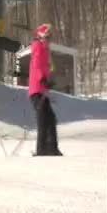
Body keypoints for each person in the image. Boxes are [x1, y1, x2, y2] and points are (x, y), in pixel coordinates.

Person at [29, 24, 62, 156]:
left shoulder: (45, 49)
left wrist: (48, 82)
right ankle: (41, 149)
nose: (49, 40)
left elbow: (43, 67)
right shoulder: (38, 47)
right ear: (41, 37)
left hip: (42, 90)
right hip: (36, 90)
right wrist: (43, 79)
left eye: (50, 37)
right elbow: (36, 65)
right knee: (43, 119)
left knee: (51, 118)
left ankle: (52, 148)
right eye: (47, 37)